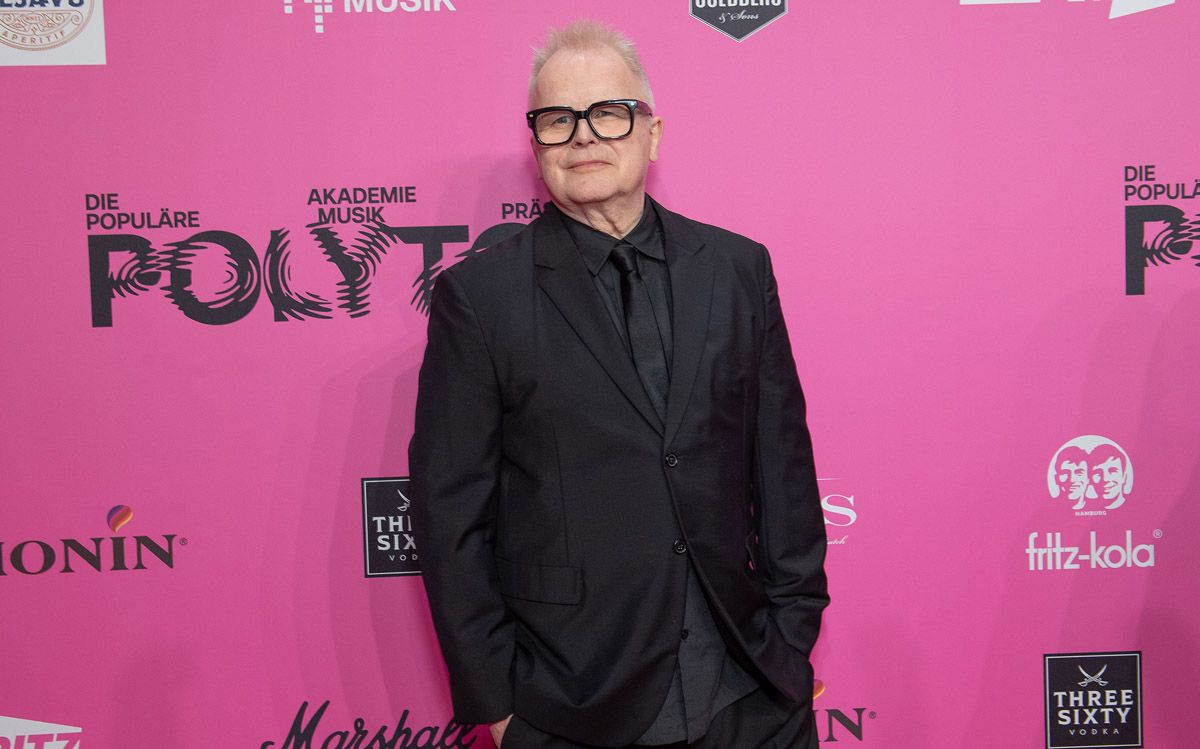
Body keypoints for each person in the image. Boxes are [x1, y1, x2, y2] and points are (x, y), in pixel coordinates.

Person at [409, 20, 828, 748]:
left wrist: (791, 634)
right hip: (571, 700)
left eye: (609, 112)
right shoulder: (481, 298)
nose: (583, 136)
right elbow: (451, 515)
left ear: (652, 133)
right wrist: (500, 706)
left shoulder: (737, 270)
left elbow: (784, 469)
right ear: (535, 144)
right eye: (557, 119)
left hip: (749, 688)